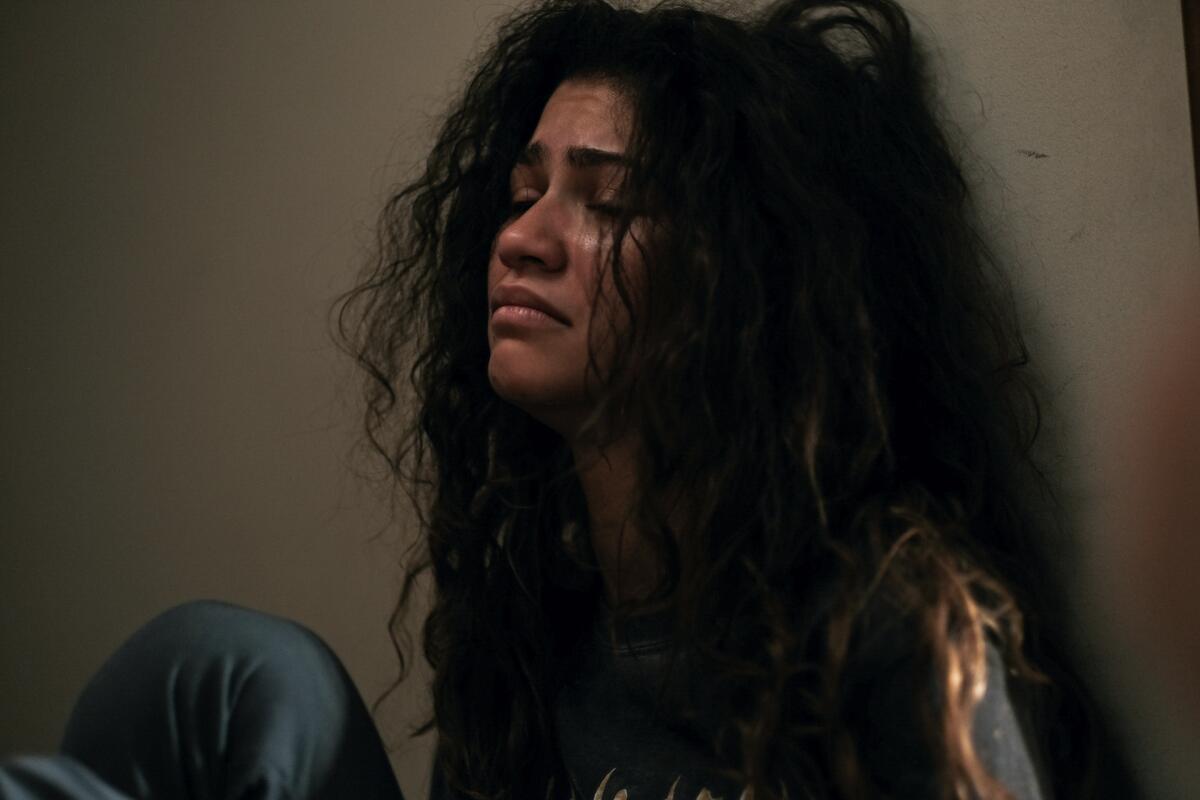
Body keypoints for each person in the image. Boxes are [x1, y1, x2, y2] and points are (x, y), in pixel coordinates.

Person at [0, 1, 1141, 798]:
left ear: (734, 280)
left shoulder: (896, 618)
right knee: (226, 663)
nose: (522, 240)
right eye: (524, 191)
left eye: (606, 202)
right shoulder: (534, 625)